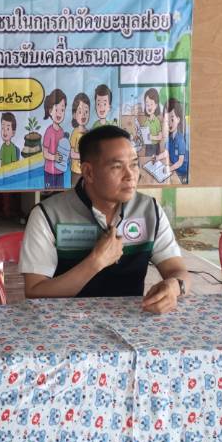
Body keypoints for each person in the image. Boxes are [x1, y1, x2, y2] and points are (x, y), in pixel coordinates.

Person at [19, 124, 189, 313]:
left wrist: (175, 286)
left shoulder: (149, 210)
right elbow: (35, 291)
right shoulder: (48, 215)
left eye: (134, 164)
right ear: (88, 172)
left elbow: (177, 270)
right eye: (117, 166)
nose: (130, 175)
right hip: (66, 323)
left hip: (130, 320)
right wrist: (96, 262)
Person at [42, 88, 68, 190]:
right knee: (49, 193)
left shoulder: (61, 131)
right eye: (56, 109)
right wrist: (55, 157)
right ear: (50, 111)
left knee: (60, 194)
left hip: (60, 171)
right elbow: (45, 153)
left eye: (62, 110)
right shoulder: (49, 131)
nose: (59, 113)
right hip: (49, 171)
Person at [163, 98, 189, 183]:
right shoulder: (170, 138)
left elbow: (180, 162)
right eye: (167, 120)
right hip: (173, 168)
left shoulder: (180, 139)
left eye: (172, 119)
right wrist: (156, 158)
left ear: (178, 119)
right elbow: (166, 153)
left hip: (181, 173)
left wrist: (169, 169)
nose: (169, 123)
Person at [70, 92, 91, 178]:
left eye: (86, 111)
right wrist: (84, 156)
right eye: (80, 111)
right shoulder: (75, 132)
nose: (83, 115)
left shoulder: (89, 132)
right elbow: (71, 153)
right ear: (74, 115)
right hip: (76, 171)